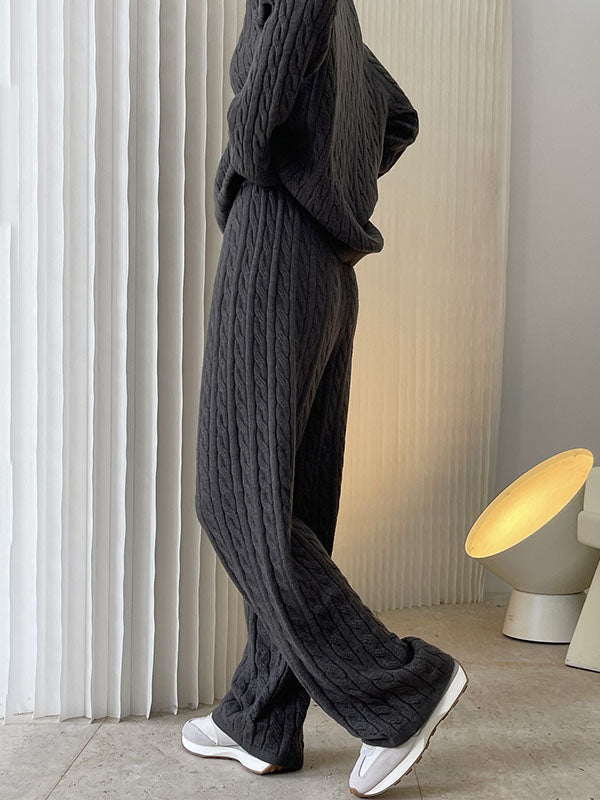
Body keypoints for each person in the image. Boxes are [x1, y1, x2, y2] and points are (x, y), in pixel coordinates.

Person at [182, 1, 468, 796]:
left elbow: (261, 114)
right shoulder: (344, 27)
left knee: (232, 495)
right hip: (324, 268)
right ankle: (261, 716)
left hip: (273, 241)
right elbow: (397, 117)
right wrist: (335, 191)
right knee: (290, 501)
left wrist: (249, 172)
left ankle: (399, 689)